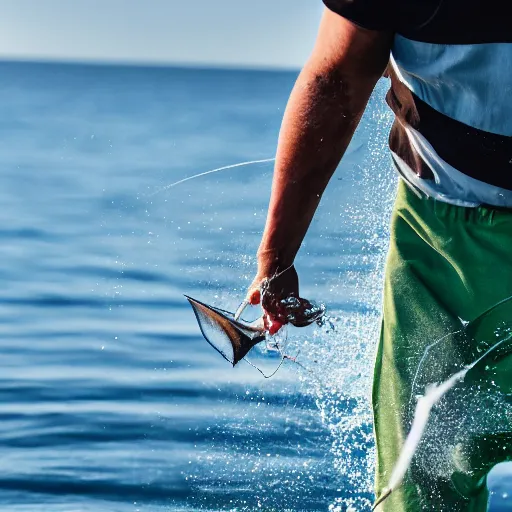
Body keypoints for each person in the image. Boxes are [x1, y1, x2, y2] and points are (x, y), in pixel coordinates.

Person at [245, 2, 512, 510]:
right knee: (419, 488)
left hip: (444, 236)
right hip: (441, 243)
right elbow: (337, 77)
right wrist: (277, 254)